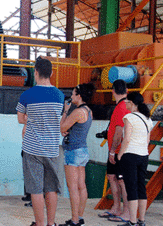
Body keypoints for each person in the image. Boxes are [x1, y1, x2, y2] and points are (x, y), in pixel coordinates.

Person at [16, 57, 64, 226]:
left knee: (36, 189)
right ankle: (51, 223)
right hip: (52, 149)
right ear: (51, 73)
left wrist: (31, 118)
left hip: (32, 148)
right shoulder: (59, 95)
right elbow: (58, 118)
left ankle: (40, 223)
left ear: (35, 72)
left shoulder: (27, 95)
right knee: (51, 188)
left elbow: (20, 119)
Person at [60, 83, 95, 226]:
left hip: (73, 151)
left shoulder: (77, 112)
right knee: (82, 186)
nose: (72, 96)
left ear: (79, 96)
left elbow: (62, 127)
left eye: (74, 94)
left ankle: (74, 220)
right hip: (82, 150)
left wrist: (65, 111)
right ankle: (79, 217)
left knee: (72, 187)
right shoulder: (89, 111)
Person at [117, 92, 153, 226]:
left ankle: (132, 221)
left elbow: (126, 139)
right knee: (141, 187)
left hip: (130, 155)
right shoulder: (147, 119)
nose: (125, 103)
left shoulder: (129, 117)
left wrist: (120, 154)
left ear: (132, 103)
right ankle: (141, 220)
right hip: (144, 155)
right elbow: (148, 140)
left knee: (131, 188)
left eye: (127, 101)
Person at [100, 80, 130, 222]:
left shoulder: (121, 108)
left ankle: (125, 211)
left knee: (121, 181)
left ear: (113, 91)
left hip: (118, 151)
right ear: (126, 90)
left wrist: (113, 152)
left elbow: (119, 131)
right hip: (117, 150)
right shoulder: (125, 106)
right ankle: (117, 207)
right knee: (112, 177)